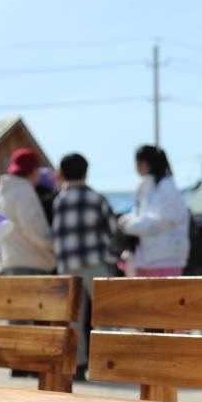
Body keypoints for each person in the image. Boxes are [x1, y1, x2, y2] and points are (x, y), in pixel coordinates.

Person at [51, 153, 119, 382]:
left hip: (67, 265)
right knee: (105, 314)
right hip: (94, 262)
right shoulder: (95, 198)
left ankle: (77, 365)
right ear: (86, 172)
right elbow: (113, 230)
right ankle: (107, 364)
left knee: (74, 317)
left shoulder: (58, 200)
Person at [118, 145, 190, 276]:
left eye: (139, 161)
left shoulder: (167, 187)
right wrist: (126, 221)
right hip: (146, 258)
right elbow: (140, 215)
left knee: (165, 296)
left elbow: (162, 220)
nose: (137, 166)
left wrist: (129, 225)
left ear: (149, 163)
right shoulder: (145, 186)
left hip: (166, 258)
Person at [0, 147, 55, 276]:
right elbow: (33, 229)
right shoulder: (23, 191)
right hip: (32, 265)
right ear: (34, 171)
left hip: (8, 262)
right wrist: (55, 245)